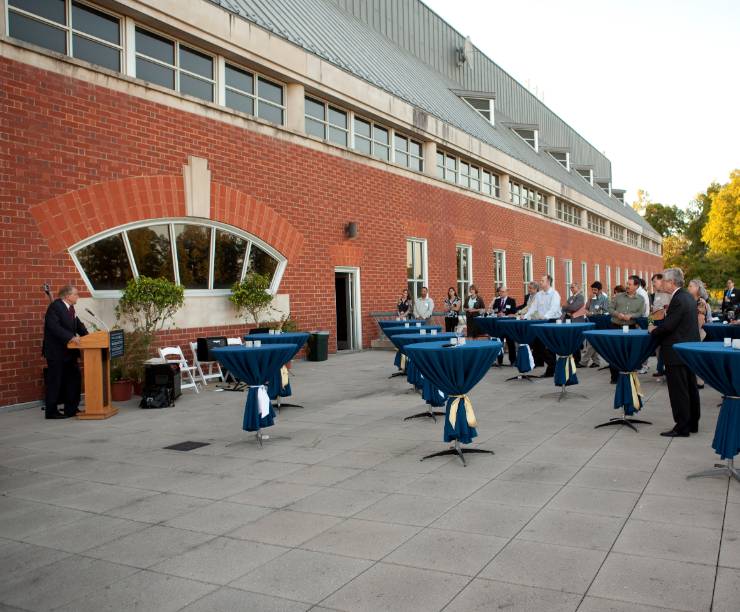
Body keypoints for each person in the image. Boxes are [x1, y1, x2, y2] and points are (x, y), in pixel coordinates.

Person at [649, 268, 701, 437]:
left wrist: (653, 330)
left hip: (676, 350)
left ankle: (682, 426)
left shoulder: (678, 299)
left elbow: (669, 326)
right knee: (690, 387)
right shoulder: (687, 297)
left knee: (679, 390)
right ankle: (692, 422)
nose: (662, 283)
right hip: (688, 350)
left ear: (672, 283)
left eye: (664, 280)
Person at [42, 284, 88, 419]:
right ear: (67, 296)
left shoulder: (71, 308)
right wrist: (71, 337)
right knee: (55, 381)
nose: (78, 296)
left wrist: (88, 337)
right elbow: (54, 327)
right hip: (56, 353)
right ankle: (51, 412)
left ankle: (71, 409)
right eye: (76, 294)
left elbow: (78, 325)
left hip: (69, 353)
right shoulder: (55, 307)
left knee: (74, 380)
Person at [607, 276, 645, 383]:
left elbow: (640, 313)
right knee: (614, 352)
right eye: (627, 284)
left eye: (630, 284)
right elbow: (610, 308)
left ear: (636, 286)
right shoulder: (618, 296)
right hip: (615, 327)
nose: (627, 286)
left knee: (628, 353)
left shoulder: (641, 300)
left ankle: (628, 376)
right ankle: (614, 378)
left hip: (630, 328)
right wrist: (617, 314)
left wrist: (631, 316)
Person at [524, 275, 561, 376]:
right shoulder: (539, 295)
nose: (540, 282)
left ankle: (551, 370)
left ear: (548, 282)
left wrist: (545, 317)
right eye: (540, 280)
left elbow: (554, 309)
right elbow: (533, 308)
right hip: (541, 321)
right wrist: (526, 316)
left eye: (542, 280)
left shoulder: (555, 294)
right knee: (537, 344)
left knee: (551, 346)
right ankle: (553, 365)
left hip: (552, 321)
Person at [688, 278, 711, 388]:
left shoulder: (700, 302)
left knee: (697, 358)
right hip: (692, 332)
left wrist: (694, 334)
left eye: (691, 286)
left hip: (697, 333)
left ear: (697, 288)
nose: (688, 288)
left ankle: (700, 381)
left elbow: (701, 319)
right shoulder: (691, 299)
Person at [582, 281, 609, 368]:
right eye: (592, 289)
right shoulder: (591, 298)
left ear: (600, 290)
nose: (593, 291)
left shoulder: (604, 298)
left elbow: (606, 311)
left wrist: (593, 313)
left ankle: (583, 361)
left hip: (600, 322)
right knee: (591, 340)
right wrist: (589, 300)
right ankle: (596, 361)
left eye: (595, 290)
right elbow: (586, 308)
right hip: (590, 321)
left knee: (592, 342)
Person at [650, 274, 671, 380]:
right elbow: (653, 312)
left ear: (662, 281)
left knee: (666, 347)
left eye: (655, 282)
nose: (653, 284)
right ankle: (660, 369)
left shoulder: (670, 293)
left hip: (666, 324)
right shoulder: (656, 294)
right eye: (652, 282)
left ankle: (668, 370)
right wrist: (650, 323)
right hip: (657, 323)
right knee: (658, 348)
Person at [491, 286, 517, 365]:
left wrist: (505, 314)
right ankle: (500, 361)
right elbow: (494, 310)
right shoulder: (497, 300)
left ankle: (513, 361)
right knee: (500, 343)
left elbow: (514, 312)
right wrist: (497, 313)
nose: (500, 293)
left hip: (508, 326)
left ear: (506, 292)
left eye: (502, 291)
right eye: (499, 292)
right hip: (499, 326)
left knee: (510, 343)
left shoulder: (511, 301)